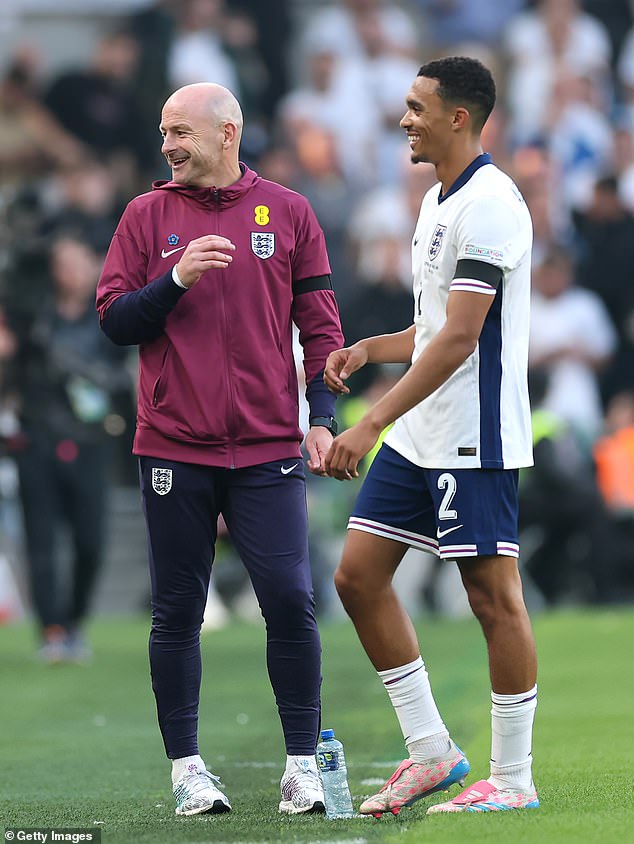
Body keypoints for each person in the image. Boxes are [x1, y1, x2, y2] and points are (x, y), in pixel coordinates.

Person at [96, 83, 344, 816]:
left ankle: (302, 766)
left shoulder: (290, 213)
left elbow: (322, 328)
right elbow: (113, 321)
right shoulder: (145, 215)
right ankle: (187, 771)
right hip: (174, 445)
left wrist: (323, 415)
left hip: (269, 446)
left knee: (293, 601)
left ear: (226, 132)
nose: (167, 145)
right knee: (177, 608)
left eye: (180, 132)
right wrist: (174, 280)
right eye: (164, 132)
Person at [324, 57, 539, 815]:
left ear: (459, 117)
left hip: (471, 434)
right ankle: (434, 754)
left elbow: (460, 341)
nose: (405, 118)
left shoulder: (493, 205)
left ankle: (513, 781)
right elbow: (429, 329)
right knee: (356, 576)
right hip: (421, 430)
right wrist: (371, 347)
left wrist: (372, 420)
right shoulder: (436, 200)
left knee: (492, 598)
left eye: (417, 107)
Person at [11, 235, 130, 662]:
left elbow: (122, 378)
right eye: (63, 263)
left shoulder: (110, 317)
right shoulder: (33, 316)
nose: (72, 272)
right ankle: (52, 629)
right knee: (41, 540)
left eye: (79, 262)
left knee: (90, 541)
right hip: (38, 438)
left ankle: (75, 619)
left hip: (90, 439)